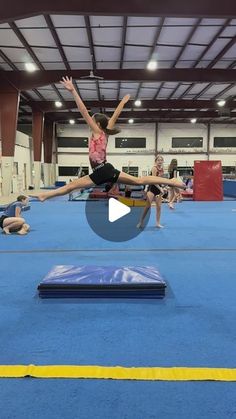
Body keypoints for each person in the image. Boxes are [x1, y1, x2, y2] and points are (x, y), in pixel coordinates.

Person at [31, 77, 185, 202]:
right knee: (73, 186)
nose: (89, 121)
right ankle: (45, 195)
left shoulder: (98, 132)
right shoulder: (105, 133)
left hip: (104, 170)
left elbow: (83, 110)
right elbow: (115, 116)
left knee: (137, 181)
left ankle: (171, 182)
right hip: (101, 171)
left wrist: (73, 91)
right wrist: (122, 103)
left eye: (92, 120)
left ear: (97, 123)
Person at [137, 155, 166, 229]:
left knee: (159, 207)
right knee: (147, 206)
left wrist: (163, 187)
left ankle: (157, 223)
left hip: (158, 189)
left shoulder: (162, 169)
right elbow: (153, 180)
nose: (160, 162)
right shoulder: (154, 168)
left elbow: (160, 180)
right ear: (155, 161)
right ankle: (141, 221)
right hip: (152, 188)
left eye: (161, 160)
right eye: (158, 160)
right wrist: (160, 188)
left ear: (162, 161)